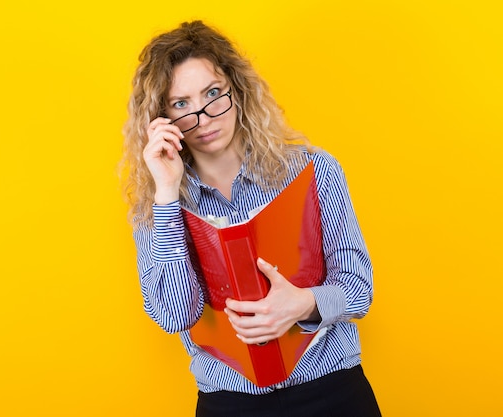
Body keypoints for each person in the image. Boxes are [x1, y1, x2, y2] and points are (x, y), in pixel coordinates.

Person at [120, 20, 382, 416]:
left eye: (212, 94)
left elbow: (359, 289)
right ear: (161, 119)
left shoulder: (313, 170)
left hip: (332, 392)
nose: (203, 118)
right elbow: (176, 315)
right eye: (181, 104)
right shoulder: (157, 206)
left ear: (236, 90)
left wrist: (302, 303)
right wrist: (169, 194)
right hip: (229, 404)